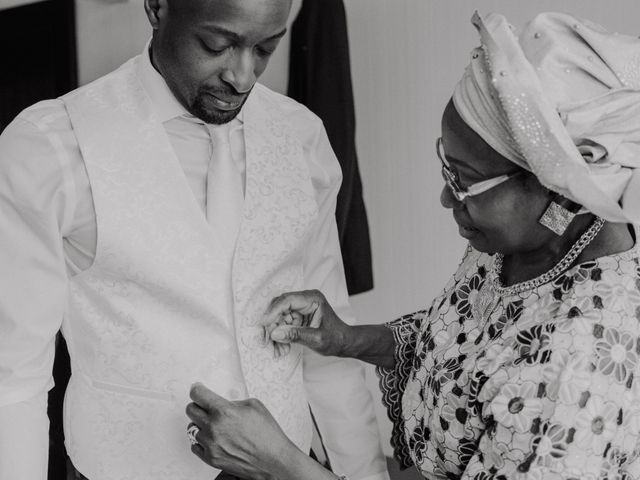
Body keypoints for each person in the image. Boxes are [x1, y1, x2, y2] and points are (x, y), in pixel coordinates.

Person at [184, 11, 640, 480]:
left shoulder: (579, 371)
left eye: (465, 183)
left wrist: (280, 464)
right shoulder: (536, 242)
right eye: (447, 168)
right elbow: (472, 347)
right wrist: (348, 339)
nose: (447, 197)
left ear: (562, 192)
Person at [0, 0, 390, 479]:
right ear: (157, 6)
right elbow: (13, 374)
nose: (243, 77)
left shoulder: (304, 138)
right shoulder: (53, 146)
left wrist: (366, 473)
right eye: (217, 45)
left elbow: (328, 339)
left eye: (266, 48)